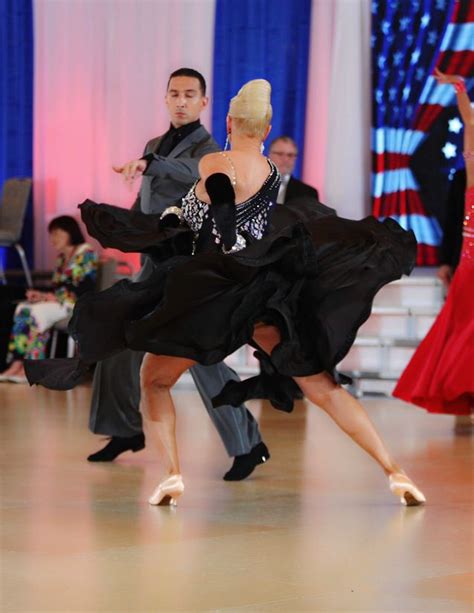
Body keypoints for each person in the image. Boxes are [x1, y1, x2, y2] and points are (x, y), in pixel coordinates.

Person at [26, 79, 426, 508]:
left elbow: (219, 192)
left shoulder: (216, 160)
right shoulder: (271, 171)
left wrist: (224, 230)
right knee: (323, 388)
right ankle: (394, 471)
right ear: (267, 128)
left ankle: (173, 475)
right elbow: (205, 206)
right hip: (265, 295)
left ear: (230, 122)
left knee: (154, 379)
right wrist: (182, 214)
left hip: (216, 293)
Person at [86, 67, 269, 481]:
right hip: (154, 266)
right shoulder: (153, 145)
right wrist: (121, 226)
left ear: (205, 102)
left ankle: (248, 443)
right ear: (166, 99)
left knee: (201, 360)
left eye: (190, 94)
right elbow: (146, 200)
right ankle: (125, 429)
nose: (181, 100)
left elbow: (187, 173)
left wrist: (151, 163)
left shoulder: (209, 151)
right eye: (174, 93)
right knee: (115, 334)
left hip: (189, 269)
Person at [393, 68, 474, 433]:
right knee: (462, 334)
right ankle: (463, 399)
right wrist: (459, 88)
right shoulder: (471, 167)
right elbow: (469, 119)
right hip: (470, 265)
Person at [0, 216, 97, 383]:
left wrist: (50, 297)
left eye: (57, 234)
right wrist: (41, 295)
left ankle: (32, 367)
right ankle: (16, 363)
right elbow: (57, 287)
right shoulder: (61, 259)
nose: (53, 239)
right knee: (22, 308)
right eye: (51, 234)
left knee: (36, 312)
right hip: (59, 302)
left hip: (75, 304)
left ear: (70, 233)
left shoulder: (86, 253)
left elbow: (83, 288)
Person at [268, 136, 319, 204]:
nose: (285, 159)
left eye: (290, 155)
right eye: (280, 154)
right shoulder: (255, 186)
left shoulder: (308, 193)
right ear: (269, 155)